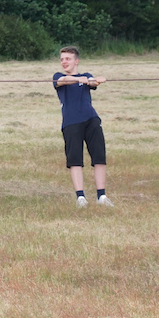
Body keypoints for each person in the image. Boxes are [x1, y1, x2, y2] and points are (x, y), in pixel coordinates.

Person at [53, 46, 113, 208]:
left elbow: (92, 82)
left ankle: (102, 196)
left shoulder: (86, 75)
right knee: (75, 160)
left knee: (99, 157)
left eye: (68, 59)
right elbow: (63, 81)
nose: (64, 62)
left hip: (91, 120)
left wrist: (97, 80)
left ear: (76, 61)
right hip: (71, 123)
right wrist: (80, 79)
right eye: (62, 59)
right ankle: (81, 198)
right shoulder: (58, 77)